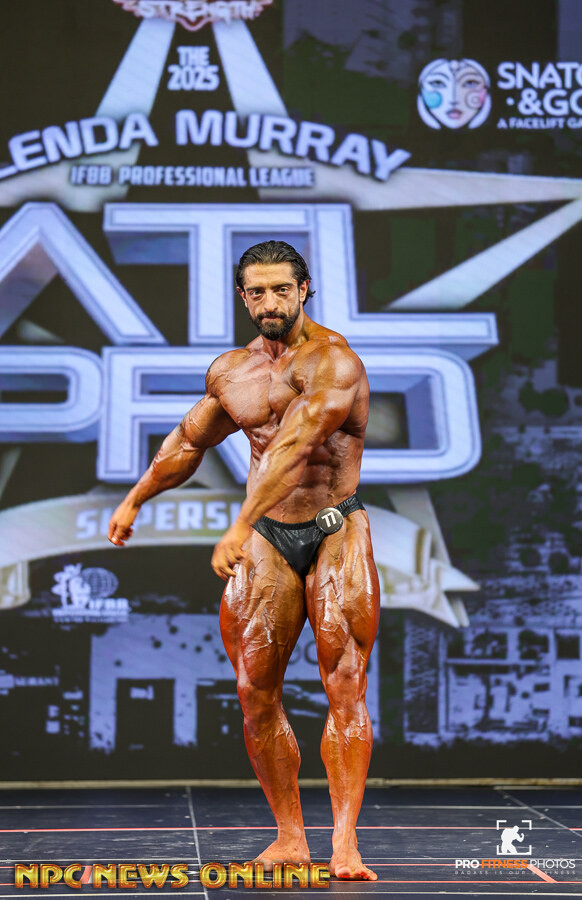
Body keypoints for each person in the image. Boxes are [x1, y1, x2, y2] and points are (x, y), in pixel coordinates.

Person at [107, 240, 380, 881]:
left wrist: (238, 523)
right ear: (243, 297)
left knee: (344, 681)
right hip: (268, 536)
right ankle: (290, 838)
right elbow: (188, 439)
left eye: (281, 289)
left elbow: (294, 446)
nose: (269, 302)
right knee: (255, 690)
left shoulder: (334, 361)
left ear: (304, 289)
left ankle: (344, 844)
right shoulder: (233, 371)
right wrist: (135, 498)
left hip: (335, 528)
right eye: (257, 292)